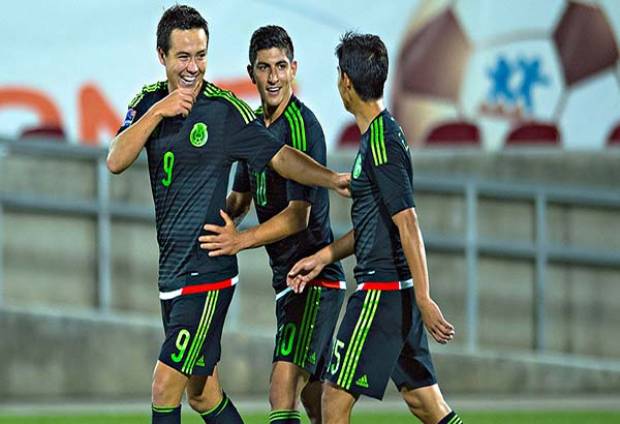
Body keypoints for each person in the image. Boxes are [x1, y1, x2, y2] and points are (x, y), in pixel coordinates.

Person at [106, 6, 349, 424]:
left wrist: (330, 179)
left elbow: (281, 158)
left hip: (209, 270)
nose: (193, 67)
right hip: (171, 273)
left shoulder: (225, 111)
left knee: (165, 385)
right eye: (183, 56)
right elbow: (115, 160)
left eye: (201, 55)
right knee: (202, 394)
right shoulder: (147, 103)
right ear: (161, 55)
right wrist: (159, 112)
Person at [287, 32, 463, 424]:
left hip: (380, 294)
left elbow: (408, 222)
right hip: (394, 293)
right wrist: (323, 256)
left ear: (346, 82)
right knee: (425, 404)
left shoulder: (381, 143)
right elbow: (376, 225)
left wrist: (424, 297)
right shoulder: (379, 138)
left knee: (333, 402)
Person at [197, 26, 346, 424]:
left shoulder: (300, 126)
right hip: (288, 280)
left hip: (315, 277)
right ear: (252, 73)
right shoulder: (253, 128)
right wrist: (209, 222)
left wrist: (239, 241)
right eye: (265, 68)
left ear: (294, 69)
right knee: (319, 402)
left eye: (281, 66)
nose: (274, 77)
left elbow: (300, 216)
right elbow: (241, 200)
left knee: (282, 385)